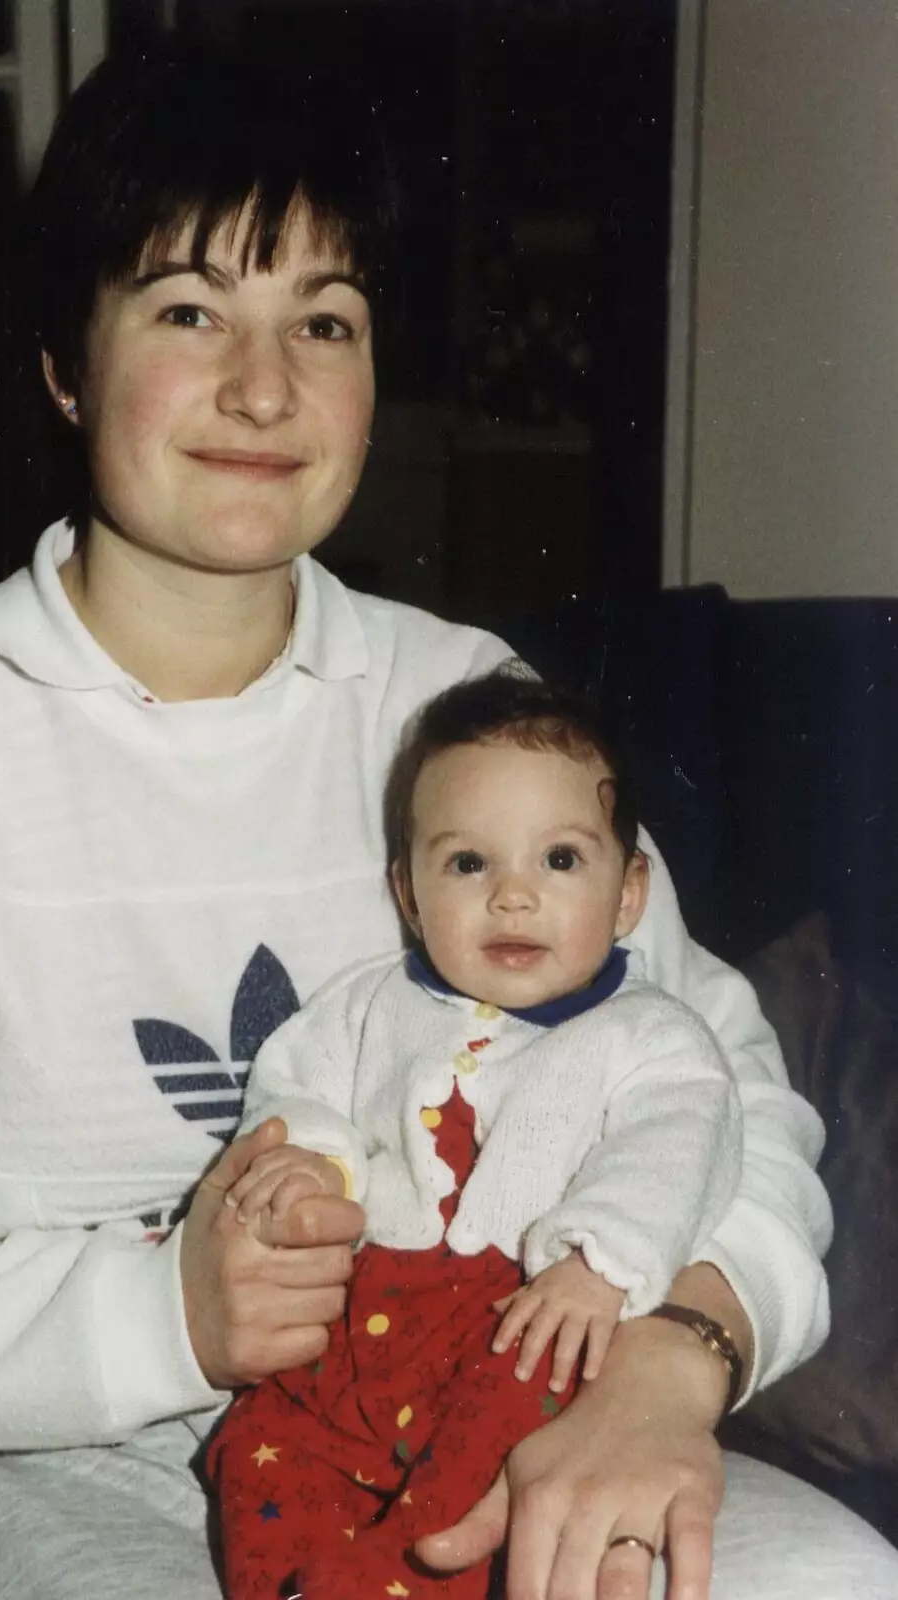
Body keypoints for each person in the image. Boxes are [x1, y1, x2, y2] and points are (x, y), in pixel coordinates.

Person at [0, 33, 895, 1600]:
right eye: (189, 310)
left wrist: (676, 1351)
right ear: (60, 358)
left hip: (474, 1388)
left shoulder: (463, 705)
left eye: (325, 319)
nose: (265, 387)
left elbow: (723, 1090)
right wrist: (164, 1312)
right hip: (38, 1452)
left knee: (838, 1577)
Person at [206, 674, 744, 1599]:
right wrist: (311, 1161)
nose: (512, 898)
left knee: (495, 1451)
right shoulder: (371, 1006)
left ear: (629, 894)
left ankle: (398, 1580)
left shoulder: (651, 1036)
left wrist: (600, 1259)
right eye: (467, 865)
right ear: (407, 894)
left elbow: (675, 1146)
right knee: (258, 1439)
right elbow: (299, 1086)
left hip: (525, 1314)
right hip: (362, 1310)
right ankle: (294, 1575)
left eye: (561, 861)